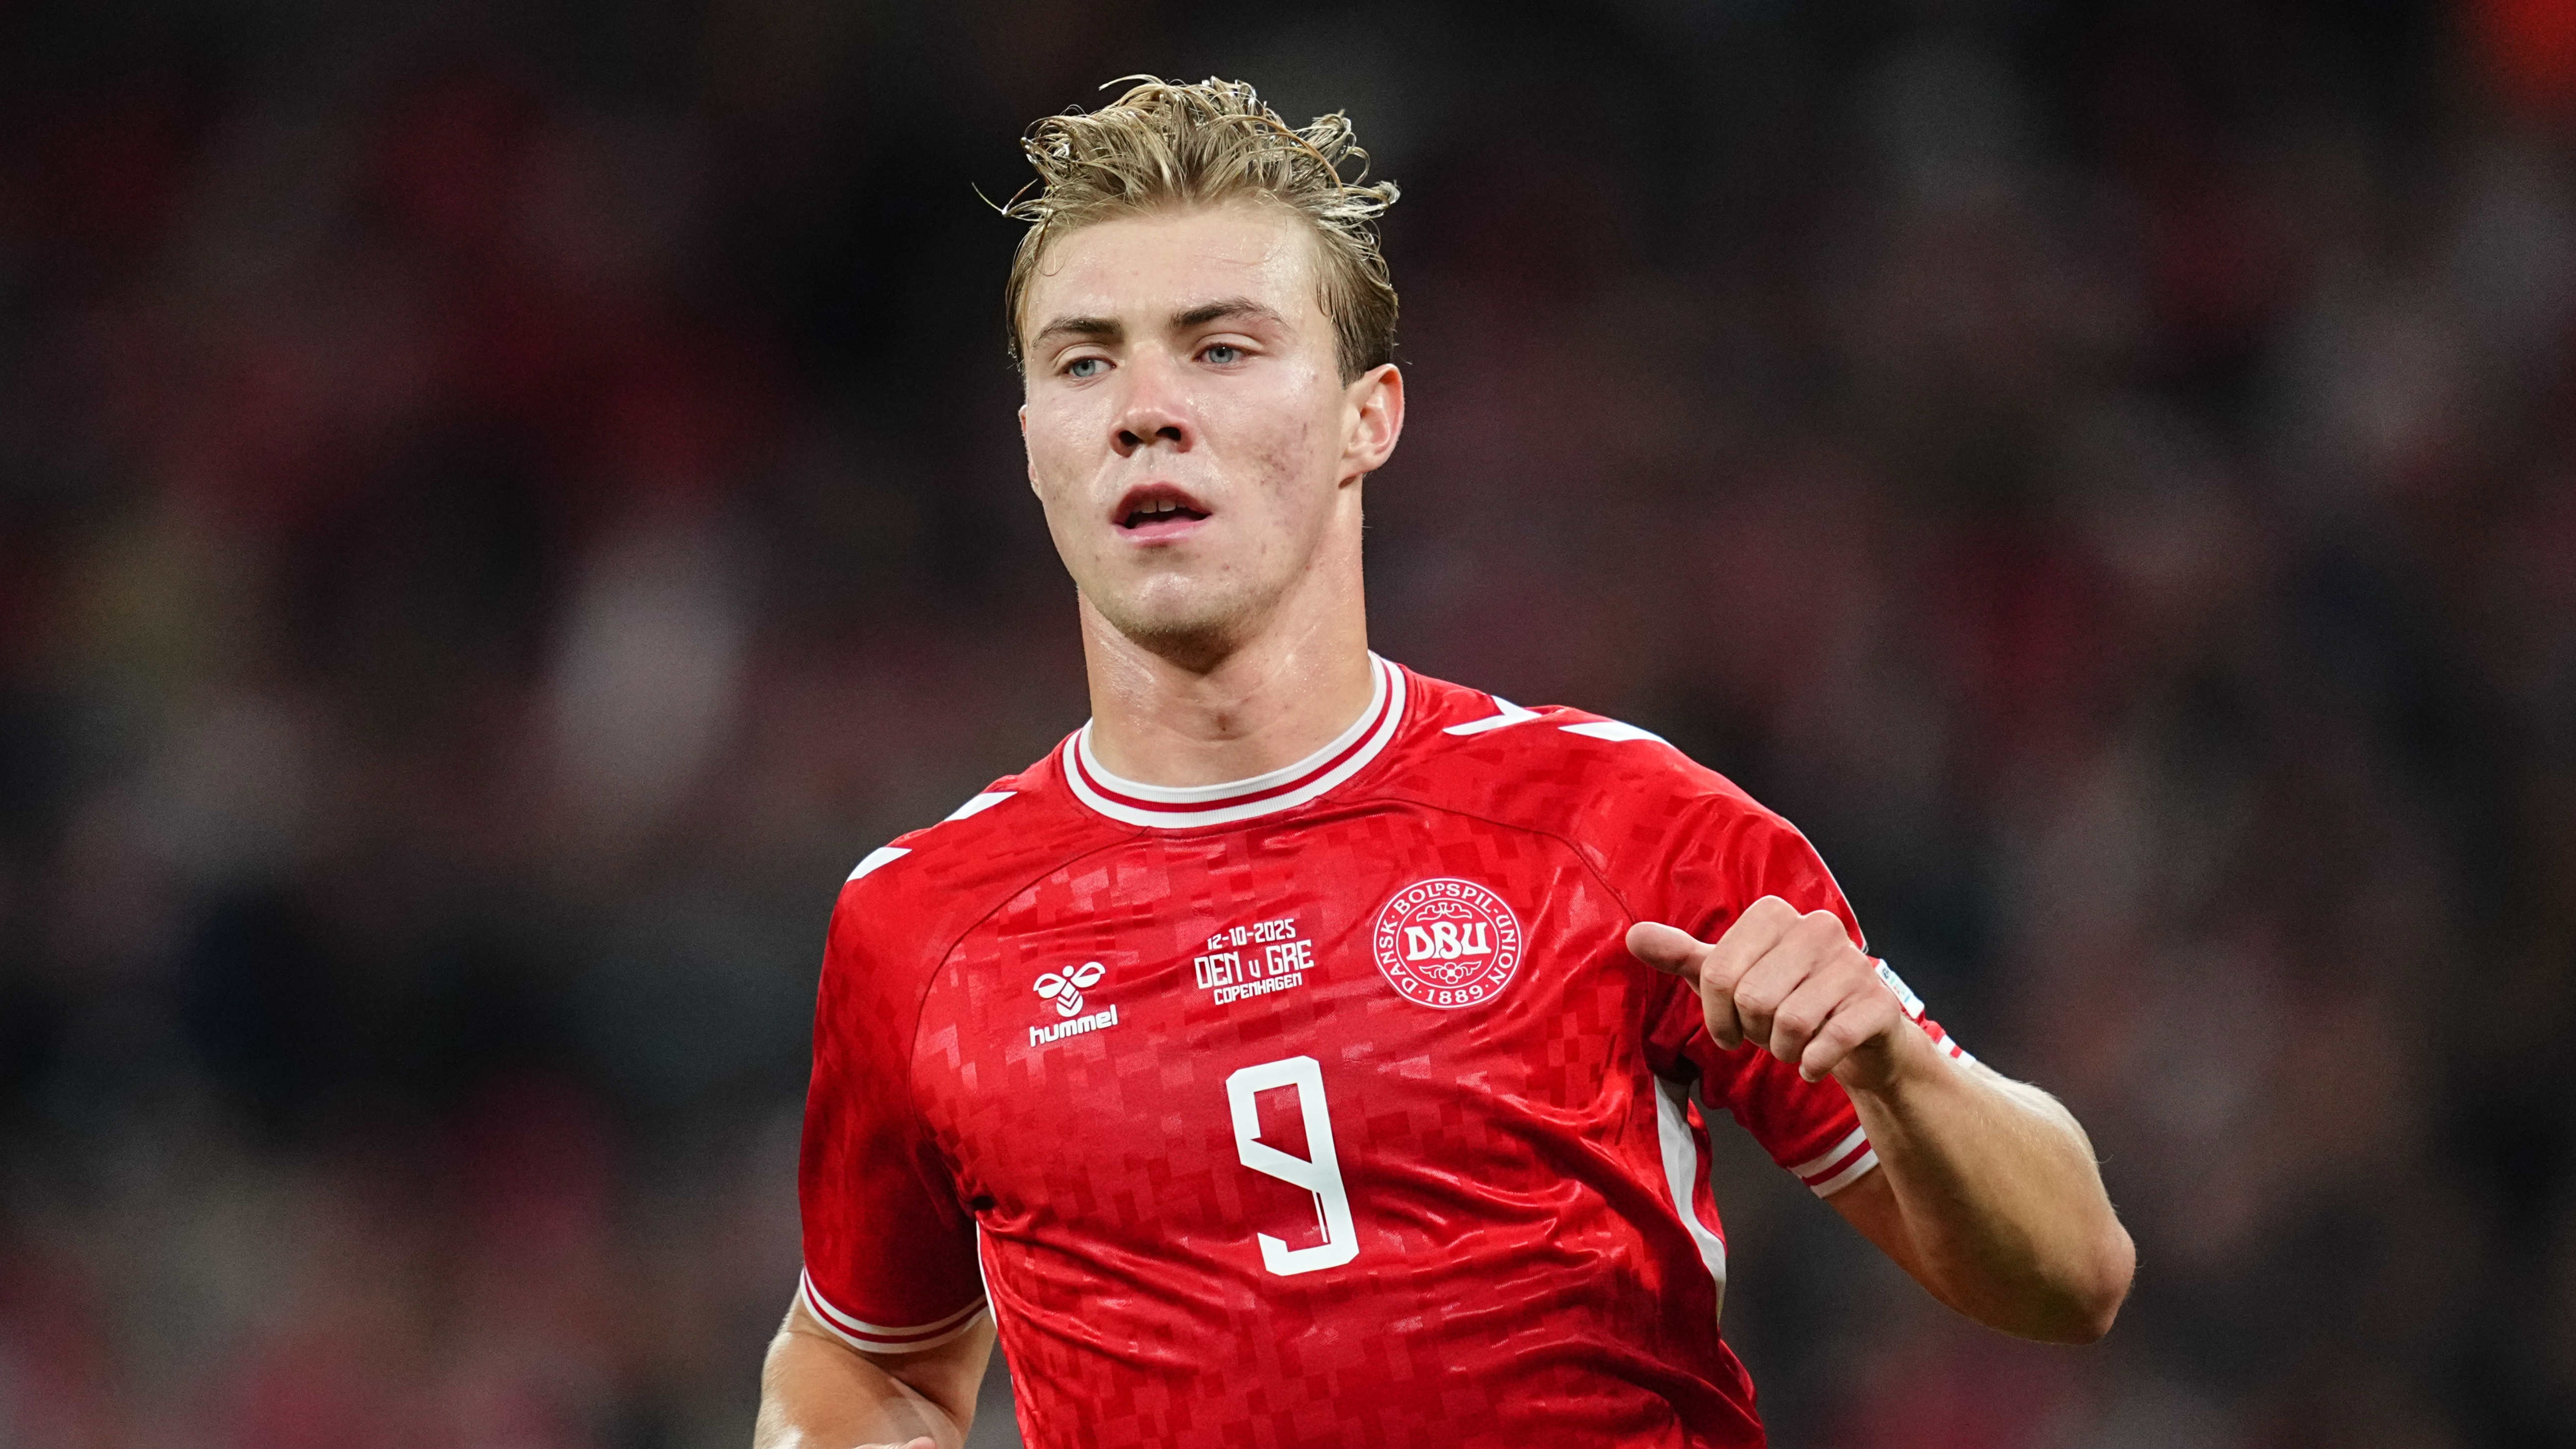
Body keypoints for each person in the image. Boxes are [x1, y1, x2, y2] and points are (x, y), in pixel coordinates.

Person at [753, 77, 2133, 1449]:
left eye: (1221, 350)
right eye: (1083, 360)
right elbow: (865, 1365)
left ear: (1370, 416)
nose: (1143, 410)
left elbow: (2072, 1277)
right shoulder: (924, 927)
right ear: (1035, 447)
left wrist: (1897, 1072)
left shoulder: (1619, 828)